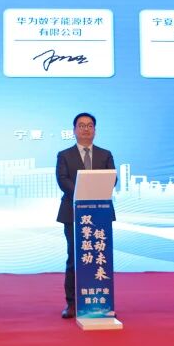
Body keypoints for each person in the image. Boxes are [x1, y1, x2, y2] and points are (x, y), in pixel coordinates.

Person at [56, 113, 115, 319]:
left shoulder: (105, 154)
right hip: (73, 214)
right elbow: (62, 180)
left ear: (95, 130)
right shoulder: (64, 155)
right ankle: (72, 303)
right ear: (74, 130)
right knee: (74, 258)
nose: (86, 129)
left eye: (90, 126)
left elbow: (112, 179)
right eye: (81, 126)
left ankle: (101, 301)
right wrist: (83, 193)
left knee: (100, 258)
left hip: (100, 214)